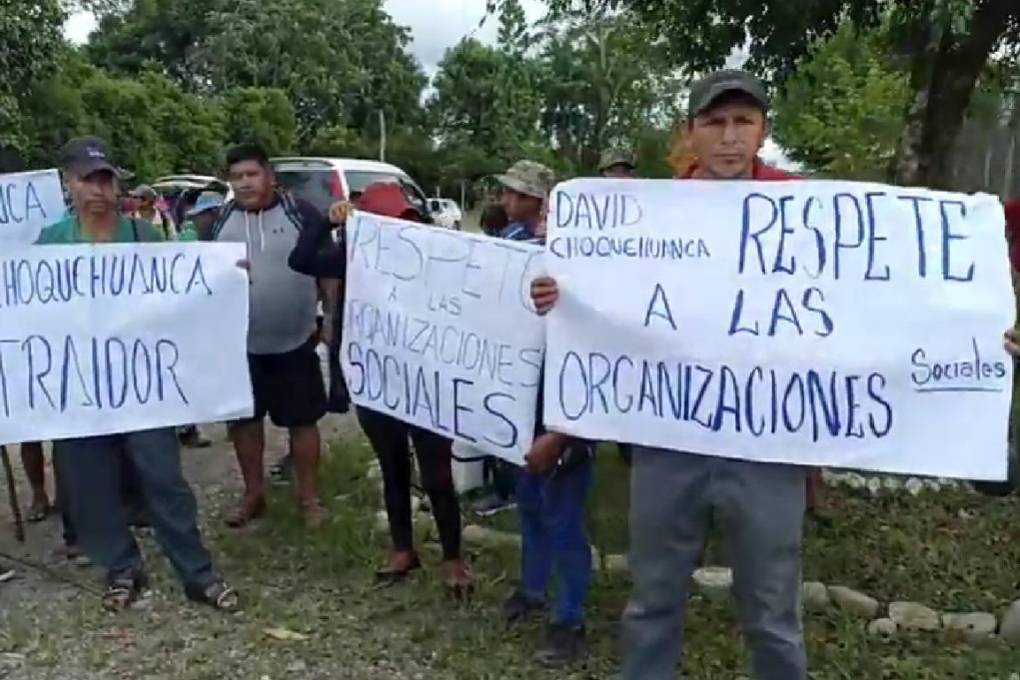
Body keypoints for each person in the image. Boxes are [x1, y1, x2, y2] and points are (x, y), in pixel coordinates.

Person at [532, 70, 810, 679]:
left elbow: (875, 307)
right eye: (715, 122)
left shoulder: (807, 209)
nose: (730, 137)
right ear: (690, 131)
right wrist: (561, 296)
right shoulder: (647, 215)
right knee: (652, 600)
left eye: (743, 122)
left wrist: (973, 336)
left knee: (772, 612)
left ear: (763, 131)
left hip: (768, 446)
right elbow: (609, 304)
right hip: (668, 440)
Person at [38, 136, 235, 611]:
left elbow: (177, 291)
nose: (99, 190)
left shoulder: (144, 236)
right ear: (69, 184)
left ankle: (196, 572)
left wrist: (224, 276)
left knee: (163, 477)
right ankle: (122, 568)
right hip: (80, 388)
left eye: (106, 179)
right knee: (90, 483)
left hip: (141, 385)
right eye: (88, 180)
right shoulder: (51, 242)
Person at [493, 160, 595, 667]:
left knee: (563, 511)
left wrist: (567, 429)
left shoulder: (586, 261)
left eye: (518, 194)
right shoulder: (510, 241)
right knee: (529, 501)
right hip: (521, 395)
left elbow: (594, 341)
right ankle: (533, 588)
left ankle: (569, 616)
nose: (507, 201)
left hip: (565, 403)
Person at [212, 143, 328, 529]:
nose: (245, 183)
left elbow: (327, 269)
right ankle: (254, 494)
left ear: (270, 176)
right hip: (239, 344)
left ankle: (309, 499)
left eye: (252, 174)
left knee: (303, 422)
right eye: (237, 177)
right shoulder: (218, 221)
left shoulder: (302, 213)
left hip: (296, 339)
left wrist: (330, 318)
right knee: (245, 423)